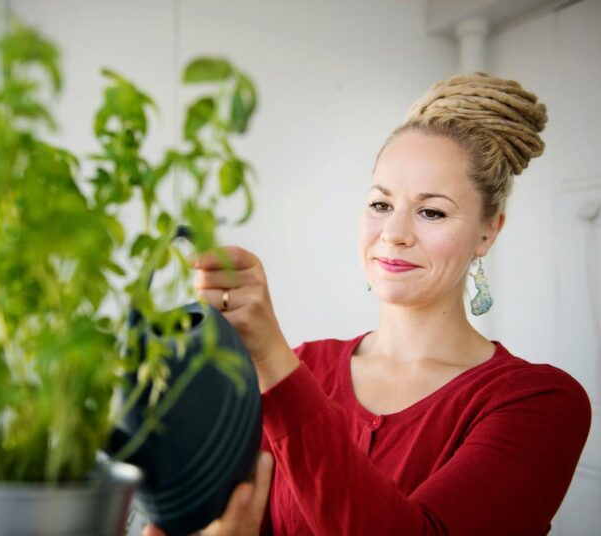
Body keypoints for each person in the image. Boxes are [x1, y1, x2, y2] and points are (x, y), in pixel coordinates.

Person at [145, 73, 592, 535]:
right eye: (381, 204)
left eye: (432, 211)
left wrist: (273, 363)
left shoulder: (539, 402)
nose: (394, 233)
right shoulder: (307, 366)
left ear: (488, 231)